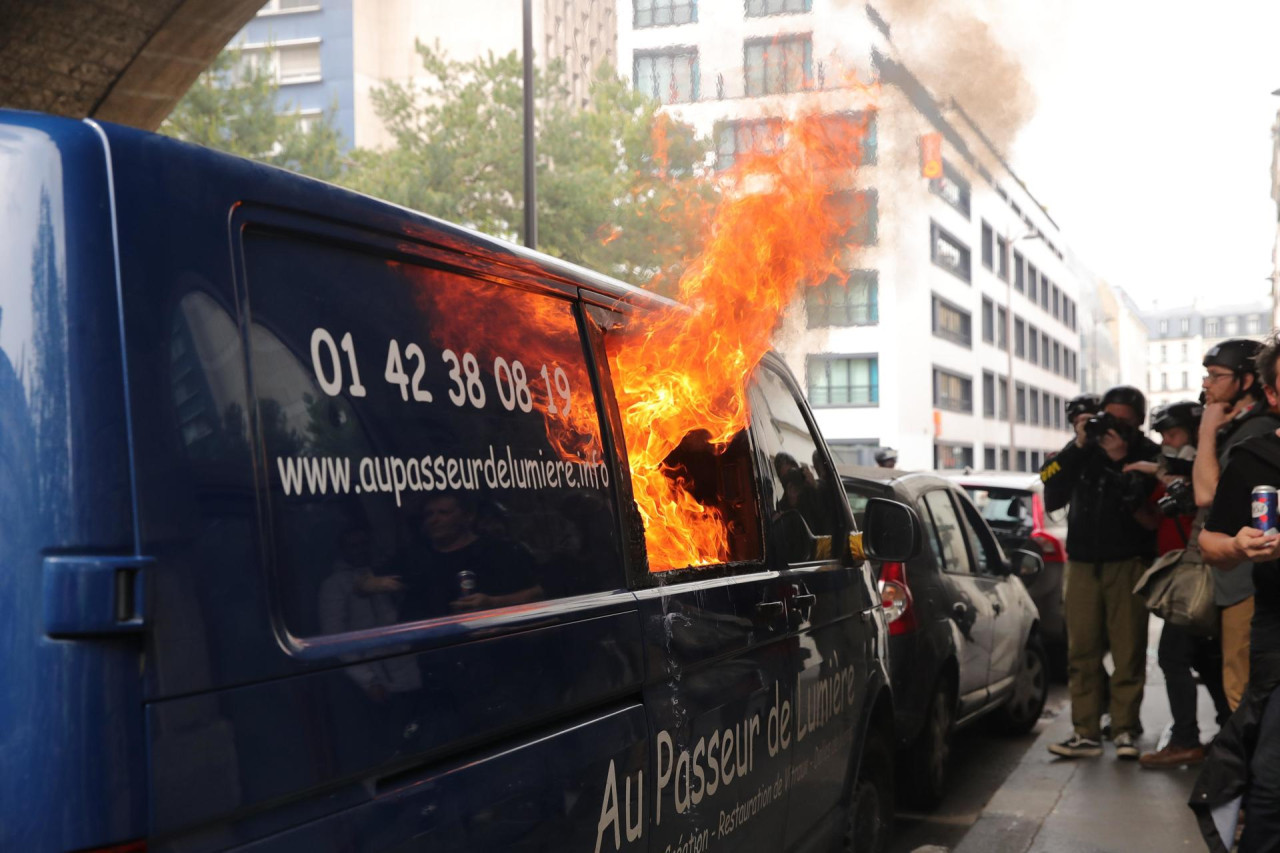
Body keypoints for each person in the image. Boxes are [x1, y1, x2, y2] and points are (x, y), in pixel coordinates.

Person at [1192, 331, 1280, 851]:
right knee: (1269, 781)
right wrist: (1238, 546)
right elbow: (1210, 539)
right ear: (1272, 395)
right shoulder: (1253, 458)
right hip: (1276, 630)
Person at [1040, 385, 1160, 760]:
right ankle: (1086, 732)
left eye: (1124, 420)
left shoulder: (1150, 454)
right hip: (1081, 562)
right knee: (1082, 651)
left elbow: (1150, 518)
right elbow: (1050, 481)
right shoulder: (1084, 448)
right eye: (1109, 417)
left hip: (1128, 562)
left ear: (1140, 420)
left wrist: (1119, 460)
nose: (1115, 426)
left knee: (1128, 651)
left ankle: (1124, 728)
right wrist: (1078, 444)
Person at [1133, 401, 1231, 769]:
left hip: (1201, 577)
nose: (1166, 443)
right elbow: (1152, 519)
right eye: (1162, 436)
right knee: (1205, 659)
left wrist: (1182, 484)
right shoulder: (1169, 472)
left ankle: (1187, 739)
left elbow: (1207, 511)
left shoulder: (1207, 470)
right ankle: (1227, 730)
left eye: (1172, 434)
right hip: (1187, 575)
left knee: (1173, 656)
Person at [399, 492, 543, 621]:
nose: (434, 520)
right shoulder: (414, 558)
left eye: (444, 513)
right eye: (429, 514)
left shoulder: (500, 551)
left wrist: (493, 603)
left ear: (468, 517)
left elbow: (537, 593)